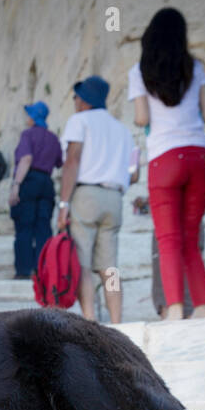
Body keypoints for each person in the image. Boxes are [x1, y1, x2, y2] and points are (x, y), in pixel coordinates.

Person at [128, 7, 205, 320]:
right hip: (197, 155)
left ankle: (176, 310)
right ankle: (203, 309)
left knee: (168, 240)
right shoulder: (194, 67)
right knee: (191, 238)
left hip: (164, 158)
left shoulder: (140, 72)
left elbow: (141, 117)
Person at [58, 76, 135, 323]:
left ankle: (90, 321)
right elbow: (135, 173)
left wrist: (63, 205)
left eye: (76, 97)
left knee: (82, 261)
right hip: (114, 197)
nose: (75, 102)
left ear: (85, 100)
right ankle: (116, 321)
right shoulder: (123, 130)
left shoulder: (79, 121)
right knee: (109, 266)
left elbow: (72, 161)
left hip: (86, 196)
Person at [8, 101, 62, 280]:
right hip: (46, 183)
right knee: (43, 228)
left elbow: (26, 159)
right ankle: (43, 270)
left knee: (24, 227)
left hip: (29, 181)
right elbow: (59, 162)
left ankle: (24, 270)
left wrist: (16, 185)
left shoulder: (28, 134)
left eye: (29, 115)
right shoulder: (53, 138)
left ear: (33, 117)